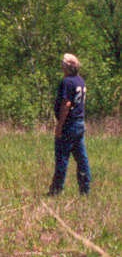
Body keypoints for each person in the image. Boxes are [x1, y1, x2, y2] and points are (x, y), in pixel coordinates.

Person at [49, 53, 91, 196]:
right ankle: (85, 189)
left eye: (63, 63)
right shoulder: (80, 81)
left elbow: (66, 104)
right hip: (80, 123)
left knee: (62, 157)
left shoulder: (67, 82)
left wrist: (60, 126)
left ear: (67, 67)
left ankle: (56, 190)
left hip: (69, 124)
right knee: (81, 158)